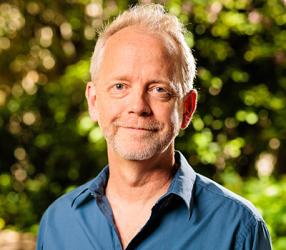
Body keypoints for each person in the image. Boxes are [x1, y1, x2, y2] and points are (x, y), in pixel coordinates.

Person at [37, 4, 272, 250]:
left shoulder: (240, 228)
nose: (138, 106)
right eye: (120, 86)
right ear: (94, 101)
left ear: (187, 109)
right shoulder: (58, 224)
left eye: (159, 89)